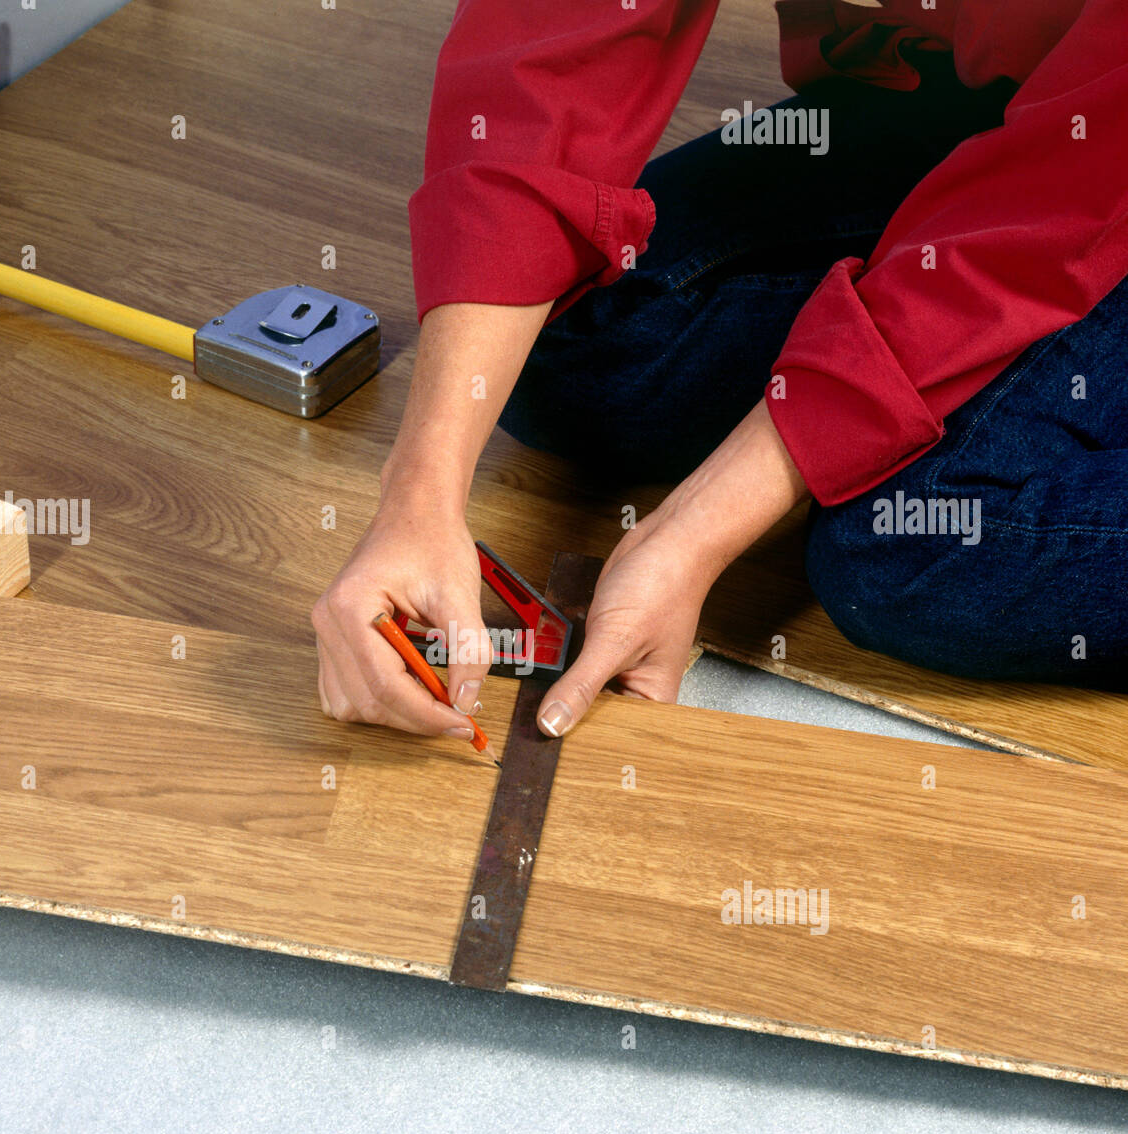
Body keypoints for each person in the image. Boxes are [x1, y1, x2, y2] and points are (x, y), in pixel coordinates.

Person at [311, 0, 1128, 744]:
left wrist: (691, 536)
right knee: (568, 339)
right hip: (971, 92)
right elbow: (549, 50)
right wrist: (418, 490)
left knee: (906, 548)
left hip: (1100, 155)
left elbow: (1030, 233)